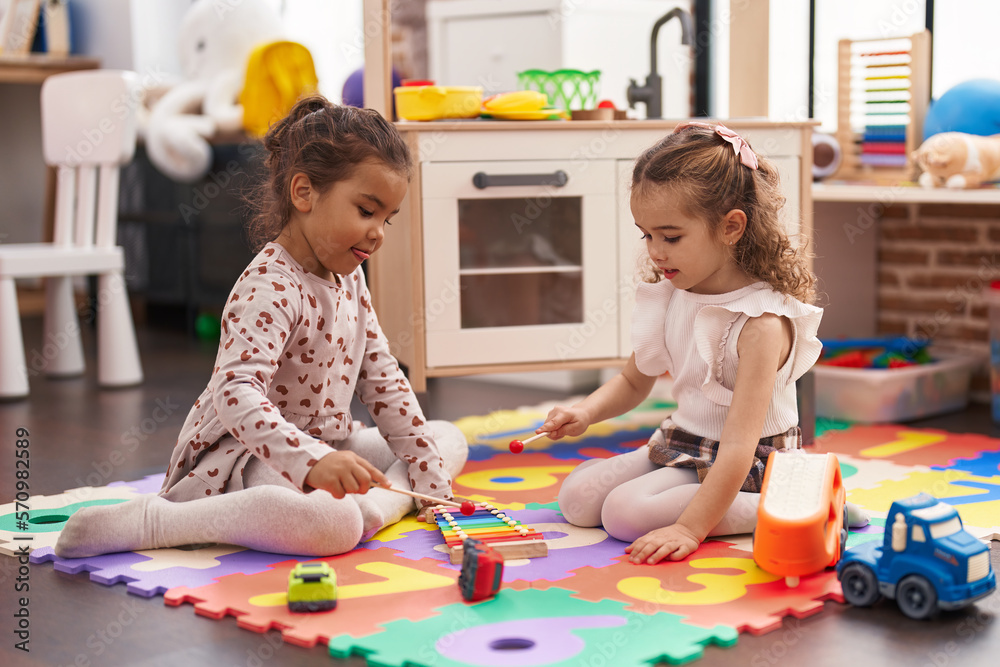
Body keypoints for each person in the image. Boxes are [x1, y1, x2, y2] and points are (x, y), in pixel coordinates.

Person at [56, 96, 468, 558]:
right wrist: (311, 461)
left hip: (330, 444)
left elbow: (384, 379)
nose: (379, 233)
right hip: (248, 456)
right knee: (331, 524)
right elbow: (235, 394)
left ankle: (375, 509)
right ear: (304, 193)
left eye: (386, 218)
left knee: (446, 439)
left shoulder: (351, 278)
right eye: (366, 211)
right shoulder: (270, 285)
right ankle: (159, 521)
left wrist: (426, 470)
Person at [548, 122, 867, 565]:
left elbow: (737, 447)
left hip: (748, 462)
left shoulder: (760, 325)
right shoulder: (671, 295)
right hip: (681, 441)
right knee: (577, 499)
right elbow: (633, 381)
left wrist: (688, 528)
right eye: (647, 235)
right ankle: (682, 494)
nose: (655, 251)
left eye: (671, 237)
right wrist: (584, 412)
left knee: (622, 515)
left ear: (731, 227)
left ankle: (803, 502)